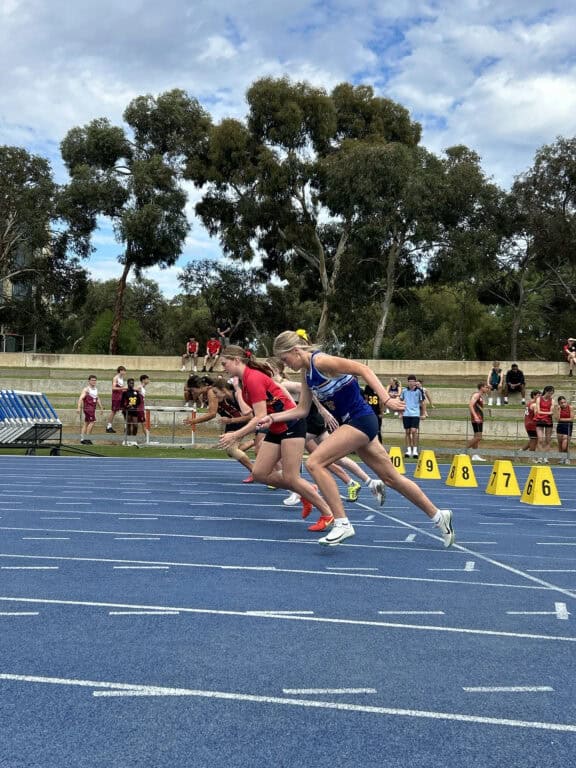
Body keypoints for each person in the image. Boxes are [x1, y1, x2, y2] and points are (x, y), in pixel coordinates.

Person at [266, 331, 455, 548]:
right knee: (391, 478)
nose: (285, 364)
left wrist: (387, 400)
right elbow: (301, 410)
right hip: (354, 424)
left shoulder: (321, 361)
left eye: (285, 359)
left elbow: (363, 369)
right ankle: (439, 516)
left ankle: (342, 522)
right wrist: (272, 417)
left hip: (361, 419)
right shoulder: (307, 374)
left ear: (295, 351)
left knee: (314, 462)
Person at [217, 346, 335, 528]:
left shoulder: (253, 378)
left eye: (225, 363)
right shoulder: (245, 381)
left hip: (291, 424)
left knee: (291, 477)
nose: (223, 368)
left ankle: (327, 513)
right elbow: (250, 412)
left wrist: (236, 435)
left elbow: (259, 416)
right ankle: (305, 489)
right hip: (276, 426)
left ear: (236, 360)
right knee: (259, 473)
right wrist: (238, 392)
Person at [184, 378, 255, 481]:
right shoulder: (208, 393)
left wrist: (194, 421)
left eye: (192, 390)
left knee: (231, 449)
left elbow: (212, 414)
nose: (192, 393)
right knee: (231, 451)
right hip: (231, 420)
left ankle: (254, 471)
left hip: (236, 419)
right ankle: (254, 442)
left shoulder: (211, 392)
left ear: (199, 387)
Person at [400, 375, 424, 458]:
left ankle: (415, 450)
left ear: (415, 382)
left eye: (413, 381)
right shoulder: (404, 391)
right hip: (406, 413)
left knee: (414, 431)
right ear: (408, 382)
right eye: (409, 381)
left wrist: (423, 414)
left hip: (415, 414)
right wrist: (400, 413)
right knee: (407, 432)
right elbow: (401, 401)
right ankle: (408, 450)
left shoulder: (419, 391)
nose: (411, 383)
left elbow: (422, 402)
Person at [77, 375, 104, 445]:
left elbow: (97, 398)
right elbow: (80, 398)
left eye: (95, 380)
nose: (94, 381)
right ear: (89, 381)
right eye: (92, 380)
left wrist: (101, 407)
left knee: (86, 423)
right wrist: (78, 407)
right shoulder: (86, 389)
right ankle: (87, 438)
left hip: (92, 409)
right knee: (93, 422)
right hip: (88, 408)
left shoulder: (95, 389)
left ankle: (82, 438)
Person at [467, 382, 490, 461]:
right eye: (486, 387)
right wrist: (475, 416)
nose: (487, 389)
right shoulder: (476, 395)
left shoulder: (480, 396)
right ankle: (462, 451)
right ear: (481, 388)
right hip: (477, 418)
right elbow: (470, 405)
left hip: (479, 418)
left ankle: (475, 455)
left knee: (476, 436)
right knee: (479, 437)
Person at [533, 385, 555, 463]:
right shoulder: (539, 399)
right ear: (546, 391)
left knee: (548, 440)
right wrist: (547, 412)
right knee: (540, 439)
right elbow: (538, 411)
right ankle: (540, 457)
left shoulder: (552, 400)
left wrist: (544, 412)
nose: (550, 395)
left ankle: (545, 457)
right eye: (549, 393)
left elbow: (551, 412)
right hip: (539, 420)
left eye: (552, 393)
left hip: (548, 421)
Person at [120, 378, 142, 446]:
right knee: (128, 425)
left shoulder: (136, 392)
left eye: (132, 383)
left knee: (135, 425)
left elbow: (139, 401)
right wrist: (127, 406)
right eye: (130, 383)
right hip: (127, 411)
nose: (131, 384)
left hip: (134, 411)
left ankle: (133, 439)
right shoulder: (125, 392)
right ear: (128, 383)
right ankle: (127, 440)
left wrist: (135, 406)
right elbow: (122, 403)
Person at [106, 366, 127, 433]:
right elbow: (113, 388)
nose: (124, 372)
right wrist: (123, 388)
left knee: (125, 410)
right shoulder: (115, 378)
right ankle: (108, 426)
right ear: (120, 371)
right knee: (114, 411)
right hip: (116, 397)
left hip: (121, 396)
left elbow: (121, 388)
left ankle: (126, 427)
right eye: (123, 371)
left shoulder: (121, 378)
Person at [555, 395, 573, 464]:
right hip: (560, 426)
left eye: (564, 402)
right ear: (559, 403)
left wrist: (561, 419)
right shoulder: (558, 408)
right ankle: (562, 458)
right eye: (561, 403)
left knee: (565, 443)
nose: (563, 404)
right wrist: (559, 410)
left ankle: (567, 458)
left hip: (568, 426)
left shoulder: (570, 407)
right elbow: (557, 418)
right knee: (560, 443)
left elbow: (571, 419)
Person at [137, 374, 150, 442]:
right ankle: (147, 439)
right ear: (143, 380)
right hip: (139, 408)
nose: (148, 381)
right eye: (147, 379)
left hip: (141, 407)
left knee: (143, 424)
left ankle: (147, 438)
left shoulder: (143, 387)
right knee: (143, 424)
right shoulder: (139, 387)